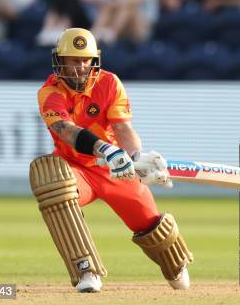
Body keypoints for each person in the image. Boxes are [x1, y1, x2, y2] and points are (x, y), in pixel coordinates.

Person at [31, 28, 193, 293]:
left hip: (115, 170)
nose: (79, 67)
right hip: (76, 169)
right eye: (73, 60)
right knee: (50, 179)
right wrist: (105, 149)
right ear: (60, 61)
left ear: (94, 60)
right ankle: (86, 269)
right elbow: (66, 130)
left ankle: (175, 264)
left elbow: (124, 129)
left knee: (152, 226)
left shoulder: (109, 83)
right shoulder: (49, 92)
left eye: (85, 60)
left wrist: (136, 157)